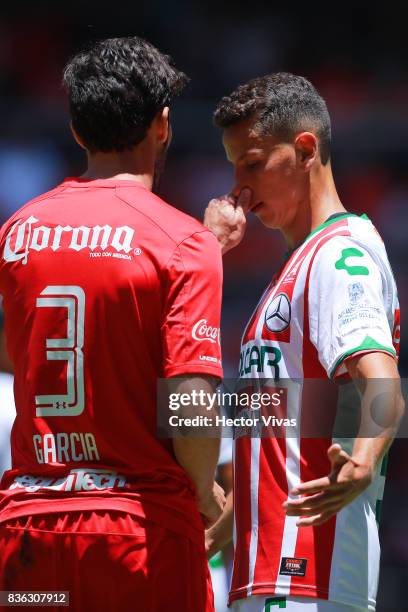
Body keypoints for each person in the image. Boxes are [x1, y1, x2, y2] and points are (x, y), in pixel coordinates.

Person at [0, 36, 225, 611]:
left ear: (77, 131)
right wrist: (201, 489)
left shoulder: (18, 232)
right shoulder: (183, 243)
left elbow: (17, 353)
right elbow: (191, 399)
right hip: (137, 535)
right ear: (163, 125)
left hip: (29, 536)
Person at [204, 73, 403, 611]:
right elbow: (275, 432)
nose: (238, 188)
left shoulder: (342, 254)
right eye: (232, 166)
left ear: (305, 149)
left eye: (251, 163)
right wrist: (221, 532)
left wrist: (362, 459)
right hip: (266, 575)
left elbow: (383, 382)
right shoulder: (292, 269)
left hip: (309, 576)